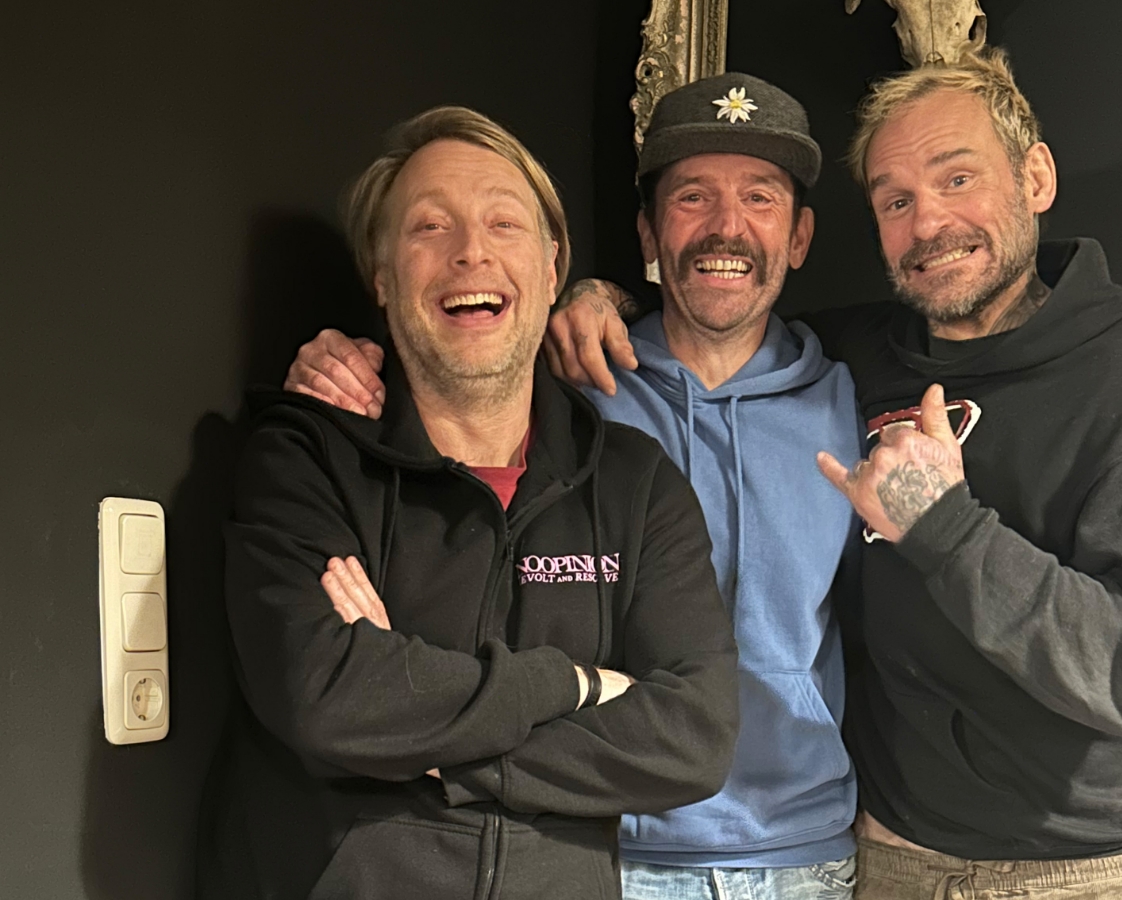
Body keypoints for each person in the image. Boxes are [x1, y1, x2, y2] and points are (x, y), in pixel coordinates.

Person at [456, 50, 1122, 898]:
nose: (929, 223)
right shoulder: (855, 357)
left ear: (1035, 177)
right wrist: (591, 297)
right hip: (858, 856)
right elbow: (721, 302)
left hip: (1056, 869)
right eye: (896, 200)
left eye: (957, 179)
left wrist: (945, 526)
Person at [285, 74, 864, 899]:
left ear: (800, 236)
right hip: (602, 846)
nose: (727, 226)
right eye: (692, 196)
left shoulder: (855, 397)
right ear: (648, 232)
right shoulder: (571, 385)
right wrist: (345, 362)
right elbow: (456, 350)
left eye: (760, 198)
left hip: (803, 854)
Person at [208, 105, 739, 900]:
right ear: (381, 274)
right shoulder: (306, 458)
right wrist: (574, 685)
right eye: (430, 227)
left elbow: (693, 738)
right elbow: (326, 702)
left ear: (553, 268)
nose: (471, 252)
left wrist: (421, 733)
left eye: (503, 222)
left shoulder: (635, 483)